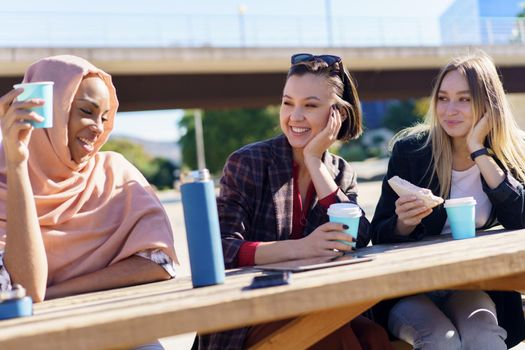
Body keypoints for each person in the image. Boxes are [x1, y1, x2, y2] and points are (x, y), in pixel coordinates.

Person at [200, 54, 393, 349]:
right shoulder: (248, 162)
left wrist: (315, 161)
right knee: (336, 340)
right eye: (288, 103)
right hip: (251, 311)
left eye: (310, 105)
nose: (295, 116)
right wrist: (302, 248)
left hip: (321, 302)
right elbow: (222, 250)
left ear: (338, 114)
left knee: (375, 336)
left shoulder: (341, 171)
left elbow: (359, 237)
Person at [370, 51, 525, 349]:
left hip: (473, 282)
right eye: (443, 98)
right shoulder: (413, 151)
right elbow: (377, 232)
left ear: (489, 105)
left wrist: (478, 150)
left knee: (483, 337)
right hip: (413, 285)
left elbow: (521, 218)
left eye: (464, 99)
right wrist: (403, 223)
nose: (450, 110)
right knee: (441, 340)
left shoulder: (510, 154)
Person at [0, 55, 178, 305]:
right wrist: (17, 164)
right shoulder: (5, 183)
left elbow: (160, 264)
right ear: (50, 110)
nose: (98, 128)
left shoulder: (114, 174)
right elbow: (23, 290)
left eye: (104, 118)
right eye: (86, 111)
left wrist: (55, 295)